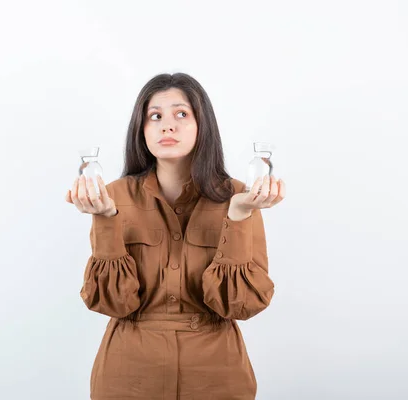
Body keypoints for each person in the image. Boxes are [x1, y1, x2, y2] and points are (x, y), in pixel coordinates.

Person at [65, 72, 286, 400]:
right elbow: (111, 301)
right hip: (128, 379)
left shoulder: (239, 196)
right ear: (142, 131)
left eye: (181, 114)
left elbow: (242, 304)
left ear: (202, 125)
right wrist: (105, 218)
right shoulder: (111, 196)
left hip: (216, 378)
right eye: (155, 116)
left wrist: (238, 215)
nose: (167, 126)